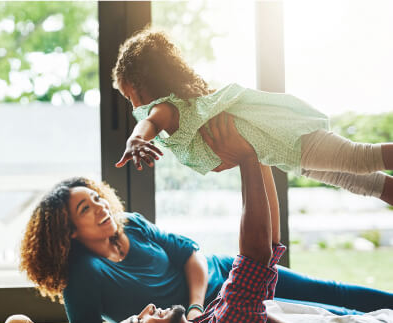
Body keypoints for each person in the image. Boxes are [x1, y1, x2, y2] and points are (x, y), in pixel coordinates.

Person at [20, 116, 393, 323]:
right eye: (86, 209)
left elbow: (190, 254)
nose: (101, 206)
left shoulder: (130, 223)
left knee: (330, 292)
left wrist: (195, 307)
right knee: (328, 319)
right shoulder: (83, 274)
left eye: (97, 197)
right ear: (68, 231)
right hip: (221, 319)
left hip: (228, 275)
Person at [109, 118, 392, 323]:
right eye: (140, 322)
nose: (149, 308)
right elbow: (254, 258)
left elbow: (268, 249)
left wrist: (259, 154)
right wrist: (246, 158)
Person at [112, 28, 393, 206]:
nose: (133, 106)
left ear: (142, 84)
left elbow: (148, 123)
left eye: (129, 96)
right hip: (286, 153)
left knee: (361, 159)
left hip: (289, 139)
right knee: (364, 183)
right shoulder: (189, 108)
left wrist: (135, 141)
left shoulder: (167, 109)